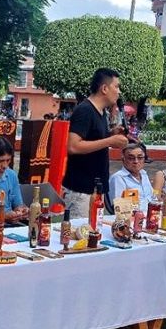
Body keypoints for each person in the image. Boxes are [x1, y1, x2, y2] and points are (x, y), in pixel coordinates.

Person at [62, 68, 129, 218]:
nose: (119, 92)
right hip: (81, 190)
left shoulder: (101, 112)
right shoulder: (85, 110)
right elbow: (72, 146)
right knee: (80, 236)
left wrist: (111, 134)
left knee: (94, 234)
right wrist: (109, 140)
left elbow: (92, 140)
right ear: (104, 88)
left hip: (96, 188)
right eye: (117, 86)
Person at [109, 143, 154, 212]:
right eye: (131, 158)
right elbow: (119, 207)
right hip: (132, 219)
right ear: (123, 159)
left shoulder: (144, 174)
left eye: (140, 158)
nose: (136, 161)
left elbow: (152, 198)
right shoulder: (119, 178)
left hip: (151, 216)